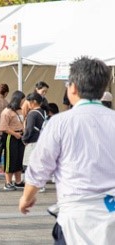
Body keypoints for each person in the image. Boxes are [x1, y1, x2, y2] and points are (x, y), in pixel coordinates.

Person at [19, 56, 115, 244]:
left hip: (76, 214)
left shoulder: (60, 122)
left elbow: (39, 167)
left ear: (73, 88)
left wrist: (27, 197)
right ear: (103, 89)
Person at [0, 90, 26, 191]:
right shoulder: (6, 111)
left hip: (19, 136)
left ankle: (18, 181)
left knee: (19, 158)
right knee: (10, 159)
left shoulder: (20, 110)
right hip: (10, 136)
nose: (24, 101)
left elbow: (22, 123)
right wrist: (15, 134)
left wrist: (23, 134)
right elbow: (3, 127)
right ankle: (8, 182)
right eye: (23, 99)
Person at [21, 92, 46, 192]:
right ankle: (41, 184)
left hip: (32, 141)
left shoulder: (32, 114)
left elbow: (29, 129)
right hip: (41, 140)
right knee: (39, 163)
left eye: (28, 102)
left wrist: (25, 139)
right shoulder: (43, 112)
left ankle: (32, 185)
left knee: (28, 164)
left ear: (34, 102)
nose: (27, 104)